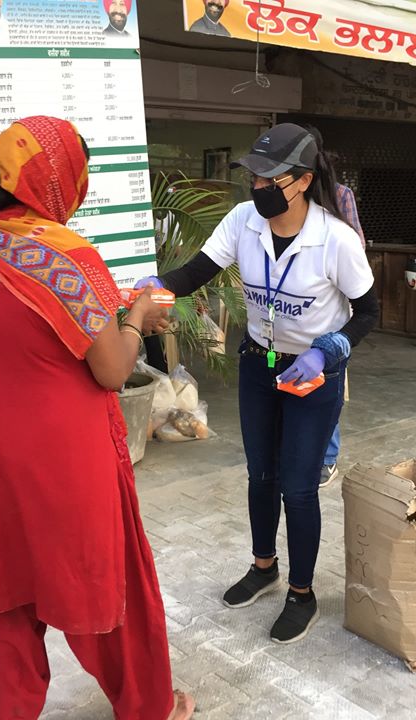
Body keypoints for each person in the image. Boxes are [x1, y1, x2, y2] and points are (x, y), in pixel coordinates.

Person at [0, 116, 193, 720]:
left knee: (8, 595)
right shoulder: (65, 256)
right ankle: (148, 707)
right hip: (62, 456)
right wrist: (136, 320)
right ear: (58, 183)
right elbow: (109, 369)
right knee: (100, 585)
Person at [135, 124, 378, 644]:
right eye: (254, 176)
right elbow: (195, 271)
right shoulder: (245, 221)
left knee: (299, 485)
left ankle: (302, 593)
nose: (258, 186)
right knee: (261, 475)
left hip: (312, 373)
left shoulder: (334, 238)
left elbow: (368, 311)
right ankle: (264, 566)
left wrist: (327, 350)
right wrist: (157, 285)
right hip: (257, 365)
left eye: (272, 178)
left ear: (303, 180)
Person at [321, 180, 366, 488]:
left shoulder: (339, 194)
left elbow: (356, 244)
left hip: (332, 304)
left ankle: (327, 458)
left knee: (329, 385)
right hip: (294, 313)